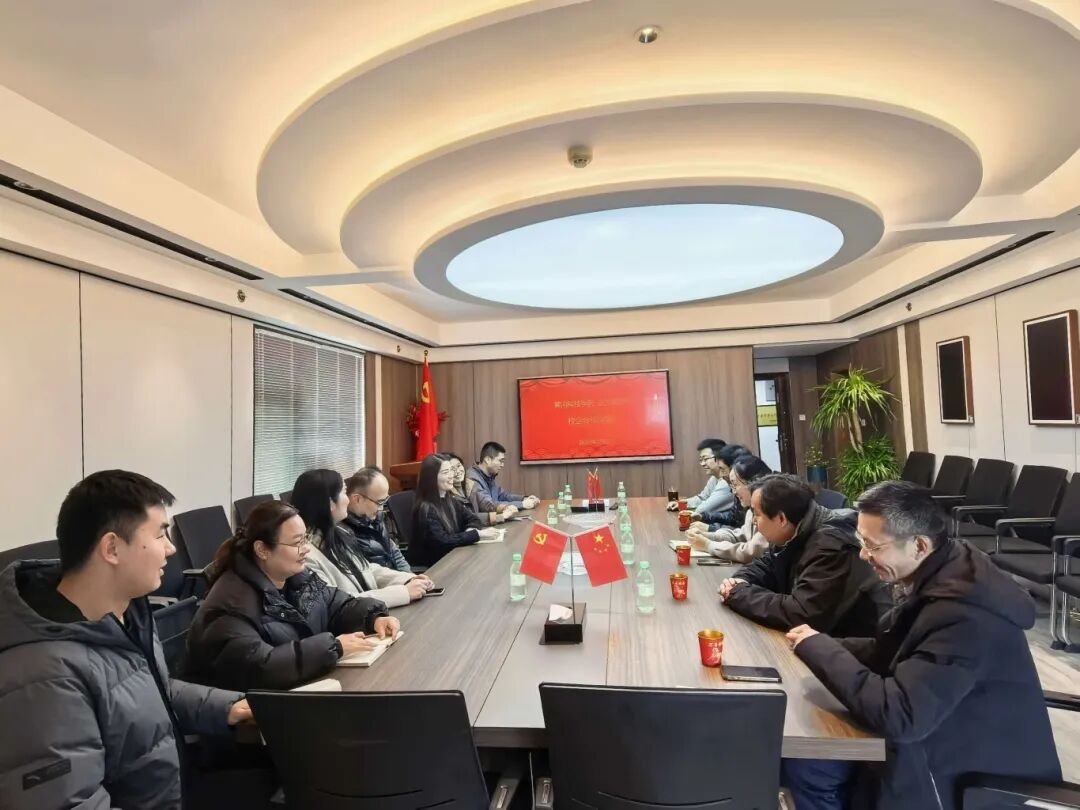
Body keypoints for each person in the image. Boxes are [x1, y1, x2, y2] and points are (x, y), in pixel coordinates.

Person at [783, 481, 1061, 810]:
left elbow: (900, 716)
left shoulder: (964, 614)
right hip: (944, 732)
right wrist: (819, 645)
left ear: (918, 545)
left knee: (809, 765)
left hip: (966, 774)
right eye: (862, 542)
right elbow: (894, 650)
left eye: (873, 546)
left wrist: (820, 649)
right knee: (808, 759)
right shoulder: (946, 570)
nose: (863, 555)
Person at [0, 470, 250, 810]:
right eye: (160, 534)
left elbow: (145, 689)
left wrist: (230, 707)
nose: (171, 548)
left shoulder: (122, 615)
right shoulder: (44, 677)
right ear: (112, 548)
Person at [185, 500, 398, 692]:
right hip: (250, 713)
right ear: (262, 550)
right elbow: (261, 667)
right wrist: (334, 647)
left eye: (305, 539)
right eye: (297, 543)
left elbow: (334, 604)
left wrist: (372, 618)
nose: (306, 549)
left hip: (300, 690)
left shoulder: (294, 576)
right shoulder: (231, 604)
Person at [719, 474, 887, 637]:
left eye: (757, 514)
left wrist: (739, 593)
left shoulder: (829, 545)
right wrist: (739, 581)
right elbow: (767, 564)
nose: (754, 521)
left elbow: (802, 613)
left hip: (850, 642)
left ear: (781, 519)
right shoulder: (795, 529)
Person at [291, 468, 433, 608]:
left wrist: (407, 579)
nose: (348, 499)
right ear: (330, 504)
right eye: (344, 492)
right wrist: (403, 592)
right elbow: (338, 604)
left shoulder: (339, 533)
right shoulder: (305, 556)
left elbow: (367, 570)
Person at [411, 454, 501, 566]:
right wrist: (477, 534)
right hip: (436, 566)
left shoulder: (450, 500)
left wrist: (470, 530)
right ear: (431, 478)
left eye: (450, 471)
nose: (451, 476)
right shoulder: (426, 509)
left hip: (454, 557)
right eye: (445, 472)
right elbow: (443, 541)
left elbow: (473, 518)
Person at [686, 455, 771, 563]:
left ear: (752, 482)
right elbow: (741, 536)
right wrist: (709, 536)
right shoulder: (751, 509)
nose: (734, 492)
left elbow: (750, 552)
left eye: (735, 485)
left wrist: (708, 545)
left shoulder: (770, 510)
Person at [342, 466, 410, 572]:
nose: (381, 508)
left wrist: (410, 576)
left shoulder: (375, 517)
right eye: (379, 502)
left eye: (385, 501)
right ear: (357, 499)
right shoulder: (342, 532)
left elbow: (394, 552)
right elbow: (367, 575)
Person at [666, 438, 737, 520]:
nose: (702, 464)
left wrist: (687, 508)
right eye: (701, 460)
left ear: (719, 458)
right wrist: (681, 503)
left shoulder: (727, 482)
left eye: (705, 459)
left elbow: (702, 510)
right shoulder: (714, 478)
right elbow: (702, 498)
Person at [448, 452, 517, 525]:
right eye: (452, 469)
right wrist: (499, 517)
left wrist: (504, 507)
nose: (457, 471)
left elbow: (484, 503)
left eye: (458, 466)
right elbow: (468, 516)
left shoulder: (469, 484)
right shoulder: (448, 495)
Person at [468, 441, 539, 510]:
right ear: (487, 460)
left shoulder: (489, 475)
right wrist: (522, 504)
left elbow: (502, 496)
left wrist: (524, 499)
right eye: (500, 461)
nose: (502, 465)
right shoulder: (472, 478)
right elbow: (488, 505)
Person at [693, 443, 752, 526]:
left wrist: (711, 529)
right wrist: (703, 517)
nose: (720, 475)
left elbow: (743, 531)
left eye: (722, 469)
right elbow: (734, 518)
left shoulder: (757, 495)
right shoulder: (735, 486)